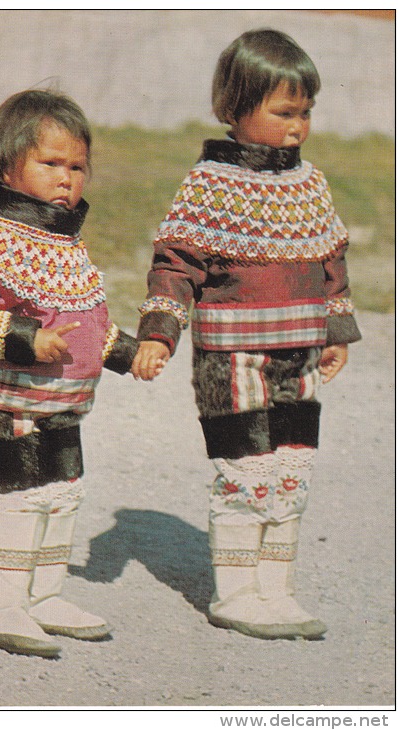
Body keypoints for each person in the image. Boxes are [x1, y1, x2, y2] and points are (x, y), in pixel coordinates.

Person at [132, 29, 361, 640]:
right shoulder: (209, 186)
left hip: (300, 355)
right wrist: (159, 332)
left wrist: (335, 331)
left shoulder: (310, 184)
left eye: (306, 112)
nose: (299, 126)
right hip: (233, 359)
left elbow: (329, 262)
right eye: (284, 112)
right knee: (246, 467)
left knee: (293, 467)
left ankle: (277, 589)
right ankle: (236, 592)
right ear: (234, 109)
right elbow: (175, 263)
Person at [0, 89, 162, 657]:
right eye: (51, 163)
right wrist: (24, 338)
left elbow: (86, 324)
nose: (67, 178)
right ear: (7, 166)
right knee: (17, 502)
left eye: (77, 167)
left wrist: (130, 352)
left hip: (61, 406)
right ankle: (5, 606)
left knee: (61, 497)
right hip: (5, 404)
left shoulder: (68, 246)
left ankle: (45, 596)